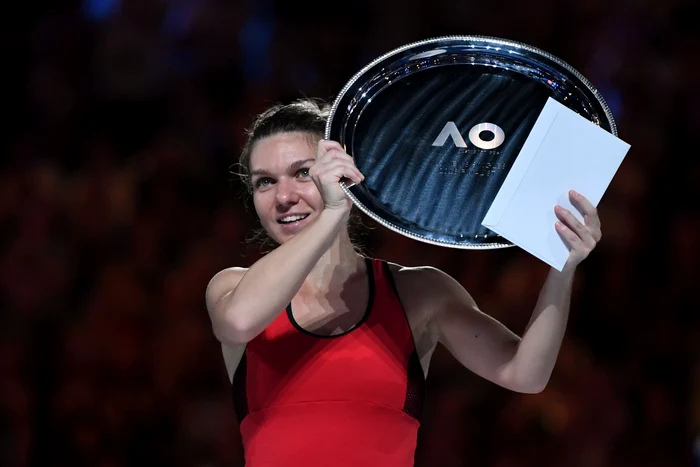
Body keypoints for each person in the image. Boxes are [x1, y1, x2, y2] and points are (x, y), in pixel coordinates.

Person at [205, 98, 602, 466]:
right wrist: (331, 215)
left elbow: (525, 374)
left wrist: (562, 267)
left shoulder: (419, 292)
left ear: (343, 173)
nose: (283, 196)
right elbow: (238, 321)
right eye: (264, 182)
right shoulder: (230, 288)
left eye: (303, 173)